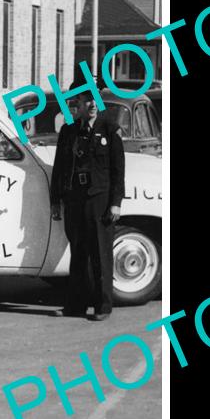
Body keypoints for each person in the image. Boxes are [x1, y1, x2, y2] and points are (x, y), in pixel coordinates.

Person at [49, 88, 125, 321]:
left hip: (99, 199)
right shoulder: (69, 131)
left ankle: (103, 306)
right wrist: (55, 200)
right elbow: (60, 167)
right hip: (75, 198)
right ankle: (75, 306)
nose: (92, 104)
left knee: (100, 253)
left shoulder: (109, 130)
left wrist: (115, 203)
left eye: (95, 100)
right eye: (87, 100)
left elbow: (118, 170)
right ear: (78, 105)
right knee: (78, 254)